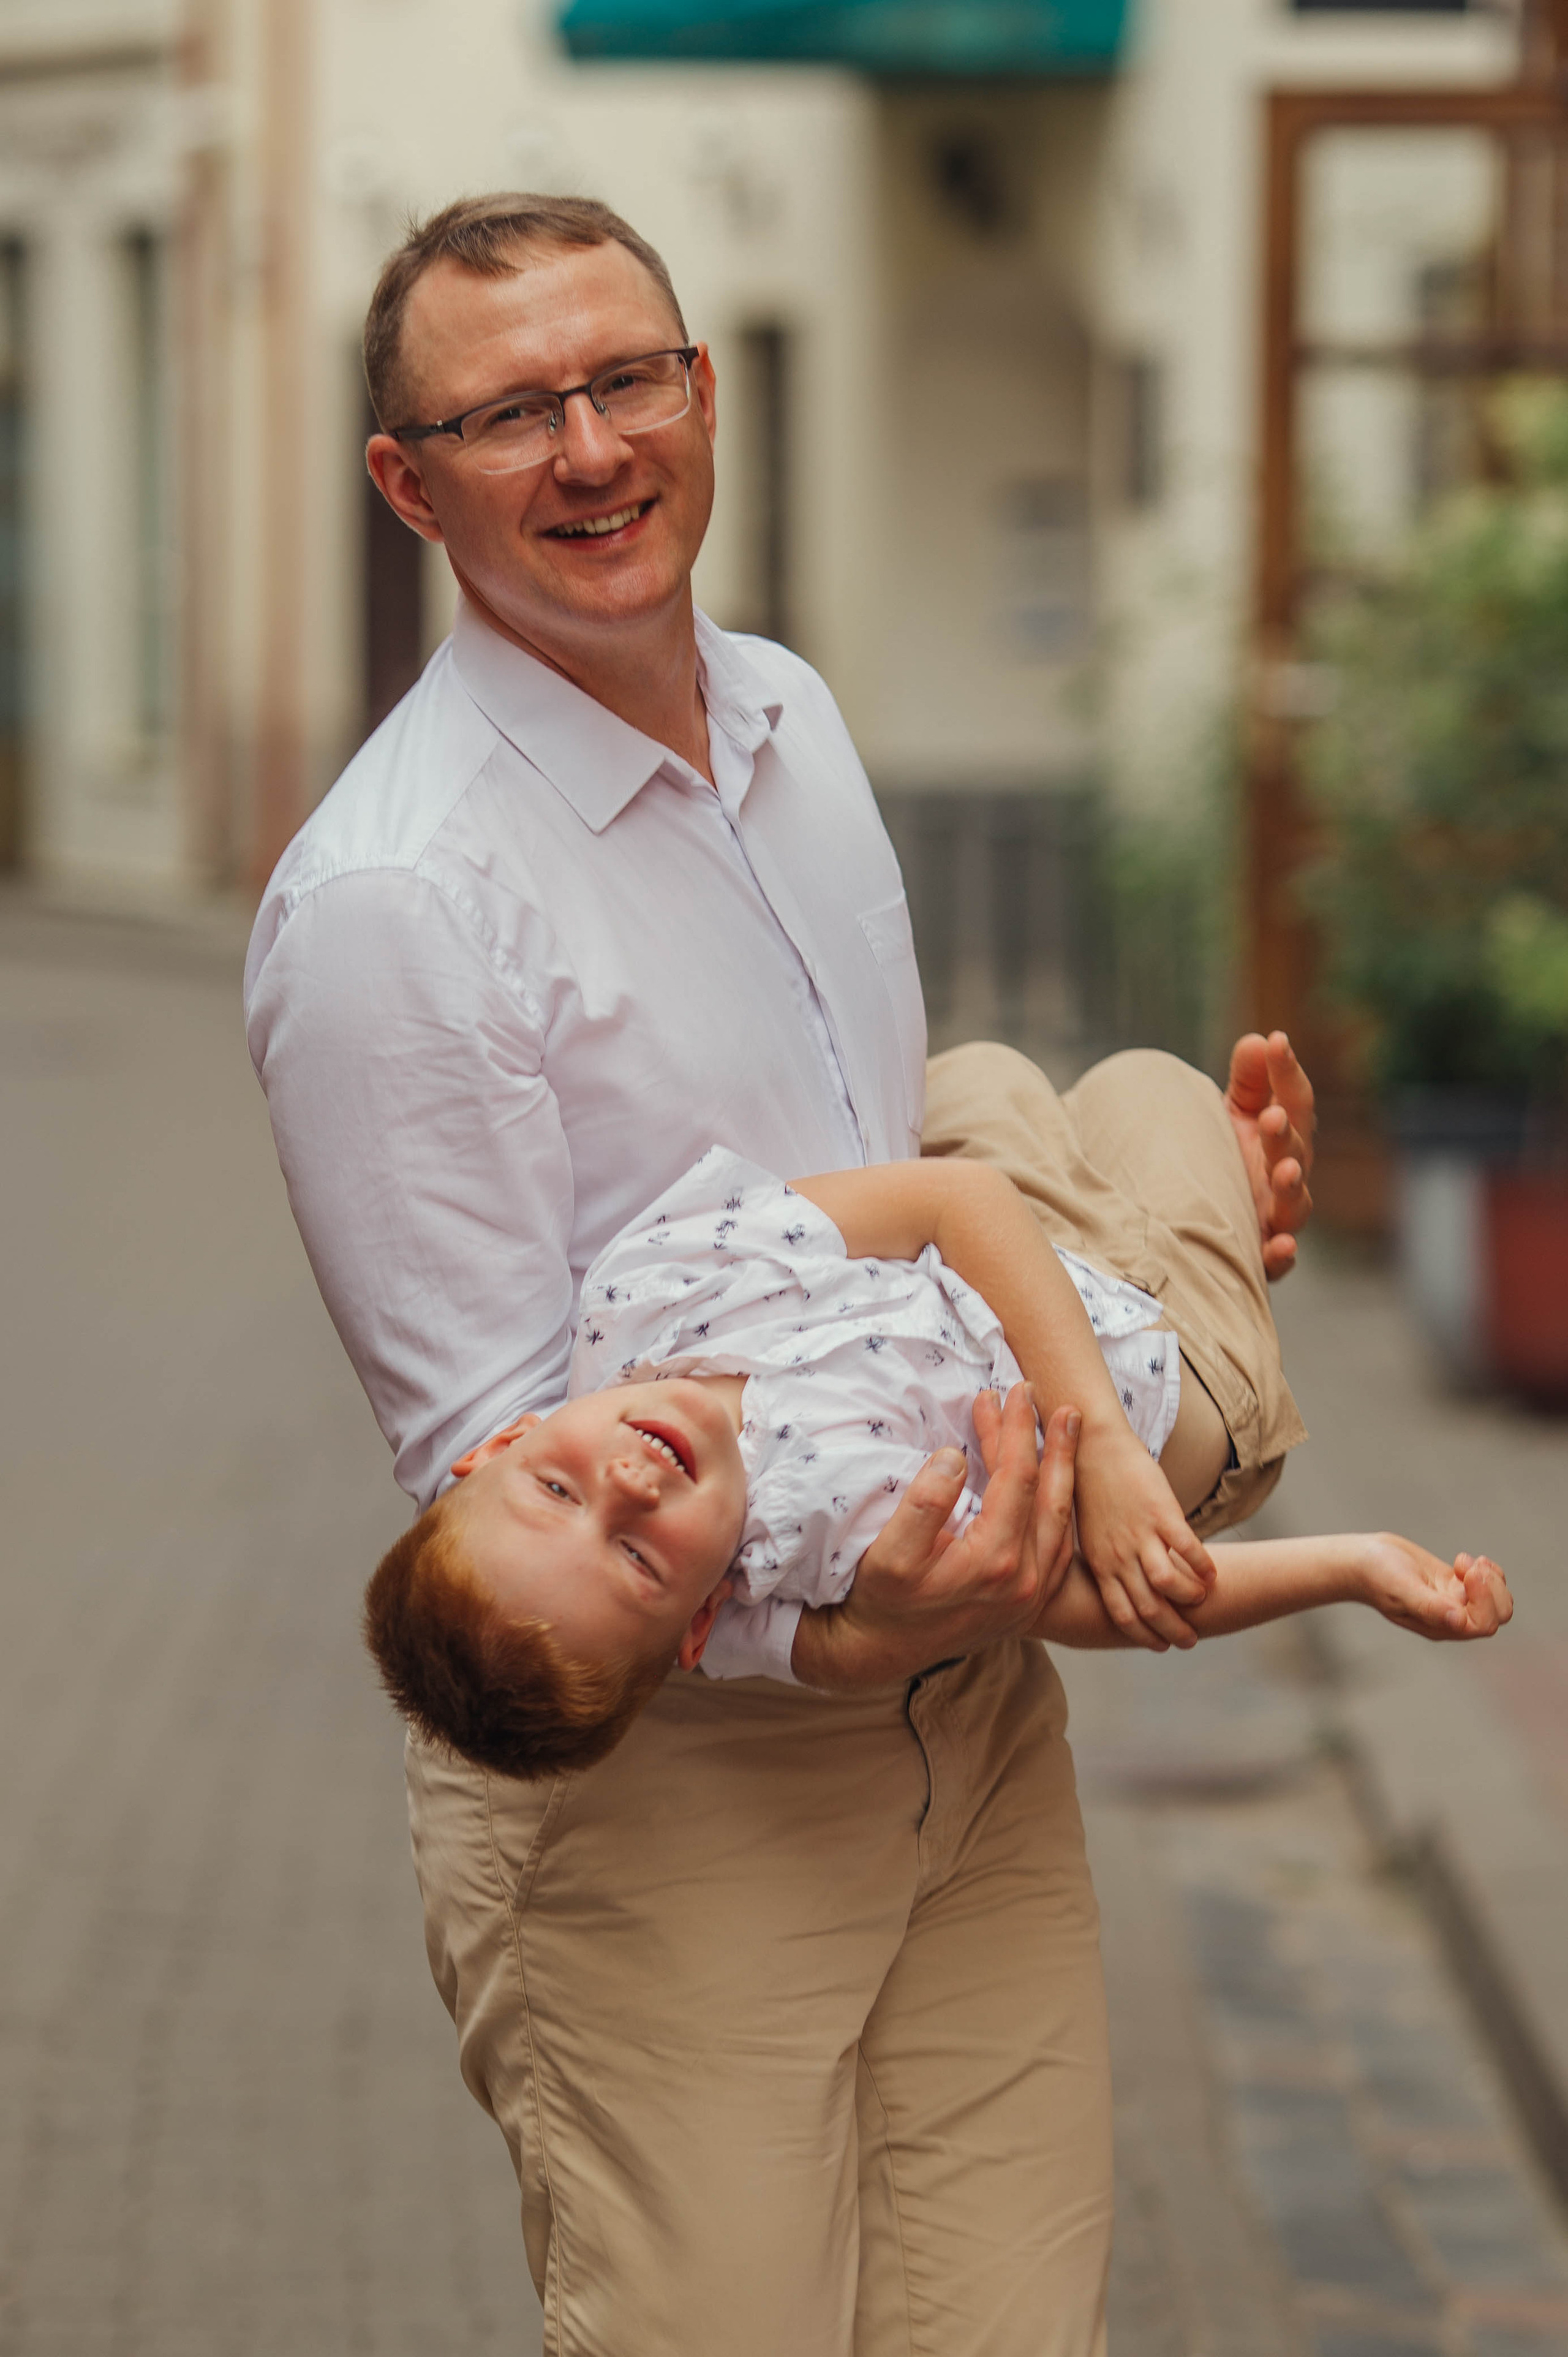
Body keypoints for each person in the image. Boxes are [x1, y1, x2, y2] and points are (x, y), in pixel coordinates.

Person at [244, 192, 1319, 2356]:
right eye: (508, 409)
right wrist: (831, 1639)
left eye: (626, 375)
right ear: (407, 481)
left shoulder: (796, 725)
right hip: (685, 1797)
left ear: (700, 391)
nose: (588, 446)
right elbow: (496, 1475)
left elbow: (886, 1198)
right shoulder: (396, 906)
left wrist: (1134, 1277)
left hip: (974, 1715)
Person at [362, 1134, 1509, 1782]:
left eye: (554, 1488)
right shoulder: (830, 1549)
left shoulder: (643, 1293)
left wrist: (1080, 1411)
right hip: (1181, 1383)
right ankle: (1218, 1183)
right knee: (1165, 1100)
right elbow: (1102, 1599)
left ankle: (1215, 1178)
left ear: (502, 1441)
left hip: (1041, 1244)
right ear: (703, 1629)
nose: (624, 1487)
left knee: (981, 1075)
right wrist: (1355, 1567)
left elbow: (953, 1195)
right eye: (635, 1559)